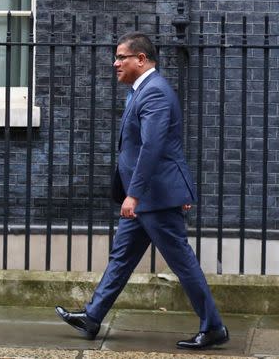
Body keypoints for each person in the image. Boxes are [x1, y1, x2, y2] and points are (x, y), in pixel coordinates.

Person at [55, 32, 228, 350]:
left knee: (182, 262)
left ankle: (214, 326)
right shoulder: (140, 91)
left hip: (156, 197)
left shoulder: (155, 93)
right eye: (116, 57)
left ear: (141, 59)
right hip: (150, 195)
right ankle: (93, 317)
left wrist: (134, 194)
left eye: (122, 57)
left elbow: (154, 147)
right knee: (121, 257)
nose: (115, 62)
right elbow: (162, 147)